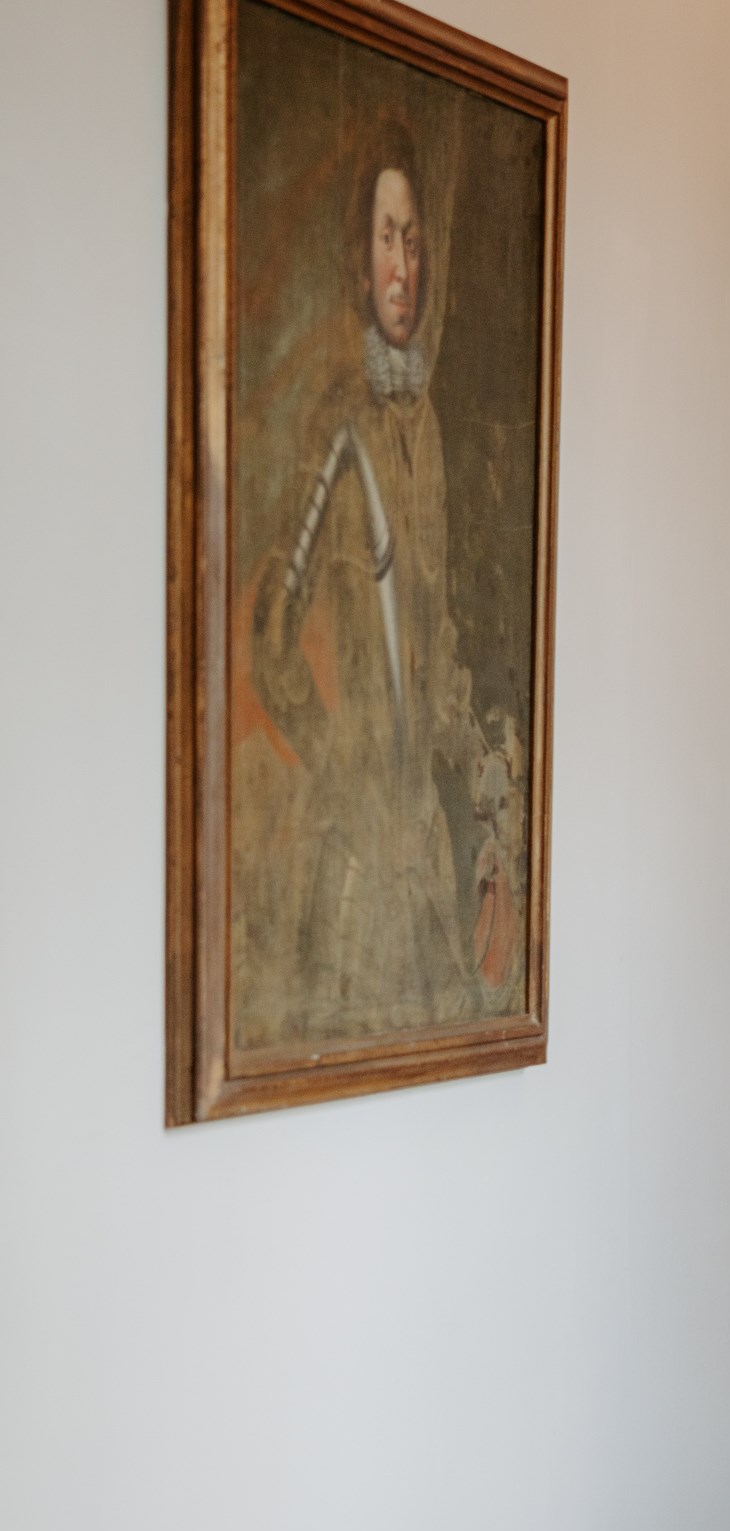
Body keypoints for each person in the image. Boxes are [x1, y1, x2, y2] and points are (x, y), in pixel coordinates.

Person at [246, 120, 516, 1043]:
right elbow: (272, 629)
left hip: (423, 856)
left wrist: (480, 779)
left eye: (413, 241)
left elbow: (437, 646)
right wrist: (337, 763)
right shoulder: (339, 424)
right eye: (385, 239)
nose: (402, 267)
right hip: (354, 868)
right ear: (359, 269)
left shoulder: (428, 432)